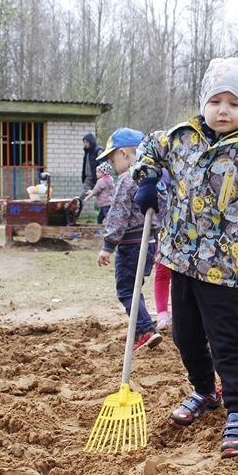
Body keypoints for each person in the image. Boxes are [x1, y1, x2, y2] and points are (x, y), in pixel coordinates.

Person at [132, 57, 238, 458]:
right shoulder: (179, 138)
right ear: (204, 102)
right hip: (179, 258)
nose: (224, 110)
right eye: (217, 100)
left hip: (223, 266)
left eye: (234, 103)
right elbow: (148, 147)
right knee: (186, 337)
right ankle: (205, 391)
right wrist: (147, 179)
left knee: (224, 340)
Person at [96, 127, 162, 352]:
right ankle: (138, 326)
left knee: (126, 290)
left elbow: (118, 213)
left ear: (123, 153)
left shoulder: (127, 177)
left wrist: (108, 245)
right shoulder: (155, 175)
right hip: (150, 242)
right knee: (135, 288)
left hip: (132, 244)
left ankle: (146, 329)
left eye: (113, 159)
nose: (113, 166)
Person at [153, 169, 172, 330]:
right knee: (162, 271)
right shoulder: (161, 173)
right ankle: (162, 315)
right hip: (164, 230)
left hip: (192, 230)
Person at [79, 132, 103, 219]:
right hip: (89, 178)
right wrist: (83, 179)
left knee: (103, 199)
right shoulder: (87, 152)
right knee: (82, 196)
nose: (85, 144)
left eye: (86, 142)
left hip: (98, 178)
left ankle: (103, 217)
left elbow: (104, 165)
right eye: (84, 142)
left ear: (91, 142)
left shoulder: (98, 151)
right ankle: (75, 215)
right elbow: (84, 166)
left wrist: (103, 178)